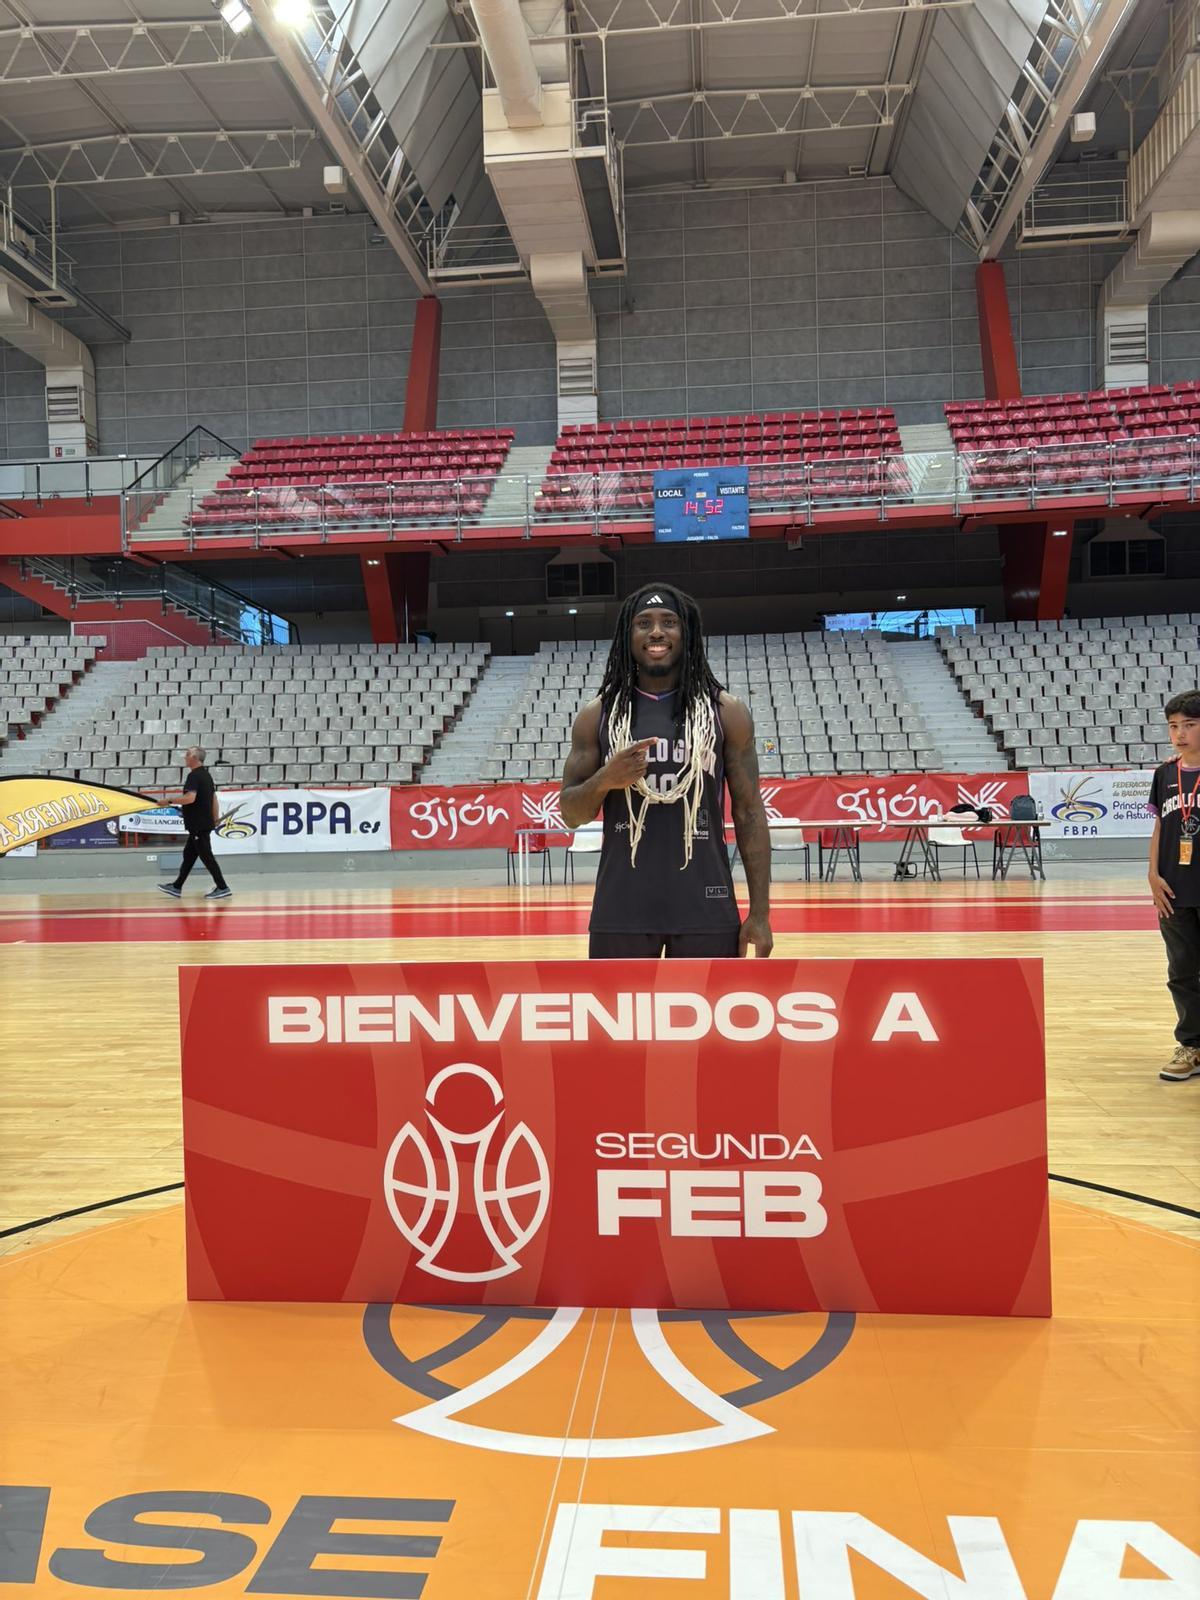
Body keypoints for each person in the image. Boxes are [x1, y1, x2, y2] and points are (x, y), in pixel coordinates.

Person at [560, 586, 772, 959]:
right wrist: (606, 778)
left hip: (707, 905)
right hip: (621, 908)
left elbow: (750, 813)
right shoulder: (599, 716)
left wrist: (760, 913)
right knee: (619, 1019)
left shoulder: (727, 712)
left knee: (707, 1018)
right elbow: (571, 813)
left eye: (669, 622)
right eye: (644, 623)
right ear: (629, 636)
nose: (656, 632)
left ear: (686, 634)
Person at [1147, 689, 1200, 1081]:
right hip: (1174, 890)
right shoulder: (1165, 773)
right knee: (1181, 971)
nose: (1179, 734)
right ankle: (1192, 1046)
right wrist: (1152, 874)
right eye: (1173, 726)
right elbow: (1161, 826)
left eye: (1190, 725)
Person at [157, 746, 231, 901]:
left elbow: (190, 798)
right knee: (189, 855)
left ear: (195, 758)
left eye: (187, 754)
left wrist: (169, 801)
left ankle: (223, 887)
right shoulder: (206, 776)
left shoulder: (194, 777)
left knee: (206, 857)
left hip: (199, 825)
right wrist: (215, 817)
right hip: (201, 824)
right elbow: (213, 799)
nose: (185, 757)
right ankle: (177, 887)